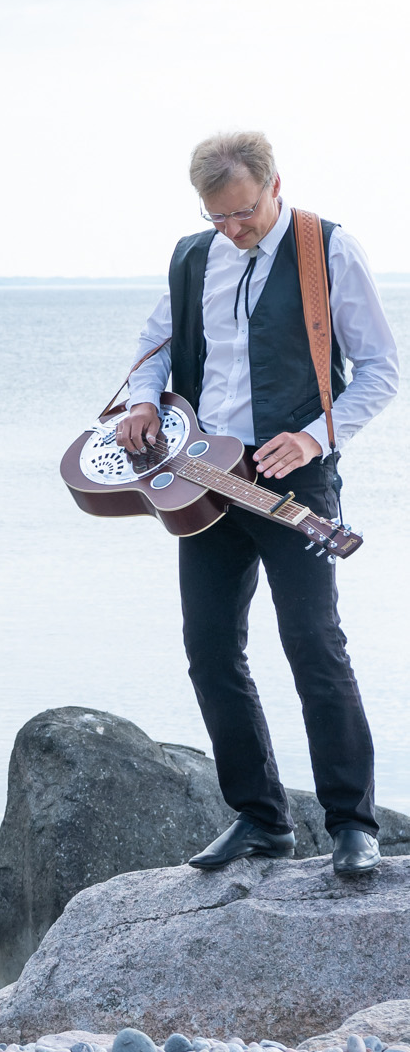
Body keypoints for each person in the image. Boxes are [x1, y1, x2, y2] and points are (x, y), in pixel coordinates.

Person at [115, 131, 399, 875]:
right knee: (209, 650)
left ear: (275, 186)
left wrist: (311, 439)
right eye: (217, 216)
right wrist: (141, 401)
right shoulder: (192, 256)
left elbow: (380, 370)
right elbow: (154, 346)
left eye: (243, 212)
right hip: (201, 477)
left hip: (293, 478)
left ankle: (352, 823)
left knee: (314, 644)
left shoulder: (327, 249)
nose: (232, 228)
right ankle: (261, 818)